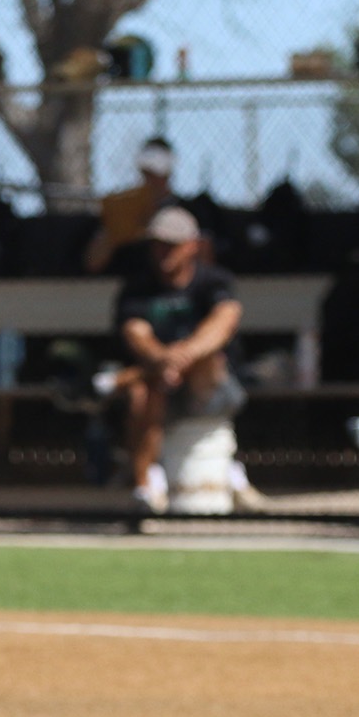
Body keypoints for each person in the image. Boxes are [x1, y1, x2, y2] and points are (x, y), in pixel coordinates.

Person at [111, 206, 245, 513]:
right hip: (160, 387)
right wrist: (163, 360)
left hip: (210, 388)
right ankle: (145, 487)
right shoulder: (137, 287)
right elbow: (137, 335)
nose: (162, 252)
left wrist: (182, 358)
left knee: (207, 357)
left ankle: (229, 470)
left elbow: (225, 321)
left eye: (171, 244)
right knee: (141, 390)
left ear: (192, 245)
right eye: (157, 244)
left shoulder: (214, 281)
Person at [85, 137, 176, 275]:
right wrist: (114, 232)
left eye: (155, 174)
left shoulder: (182, 211)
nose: (151, 180)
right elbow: (93, 262)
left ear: (168, 174)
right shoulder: (125, 209)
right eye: (147, 173)